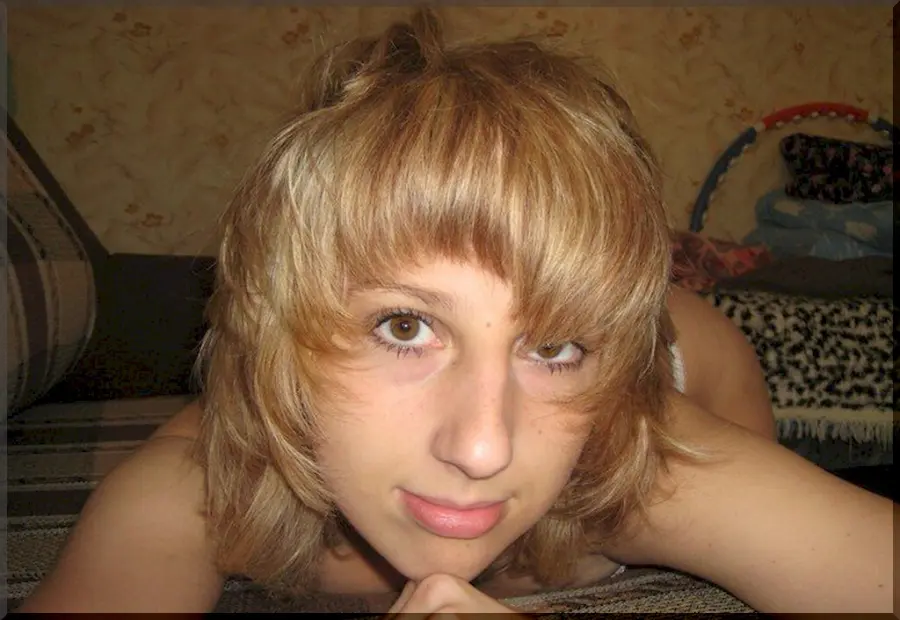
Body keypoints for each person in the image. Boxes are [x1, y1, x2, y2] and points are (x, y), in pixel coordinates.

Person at [18, 10, 894, 614]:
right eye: (404, 326)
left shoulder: (640, 467)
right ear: (272, 329)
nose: (483, 449)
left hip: (694, 353)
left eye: (554, 345)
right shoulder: (201, 490)